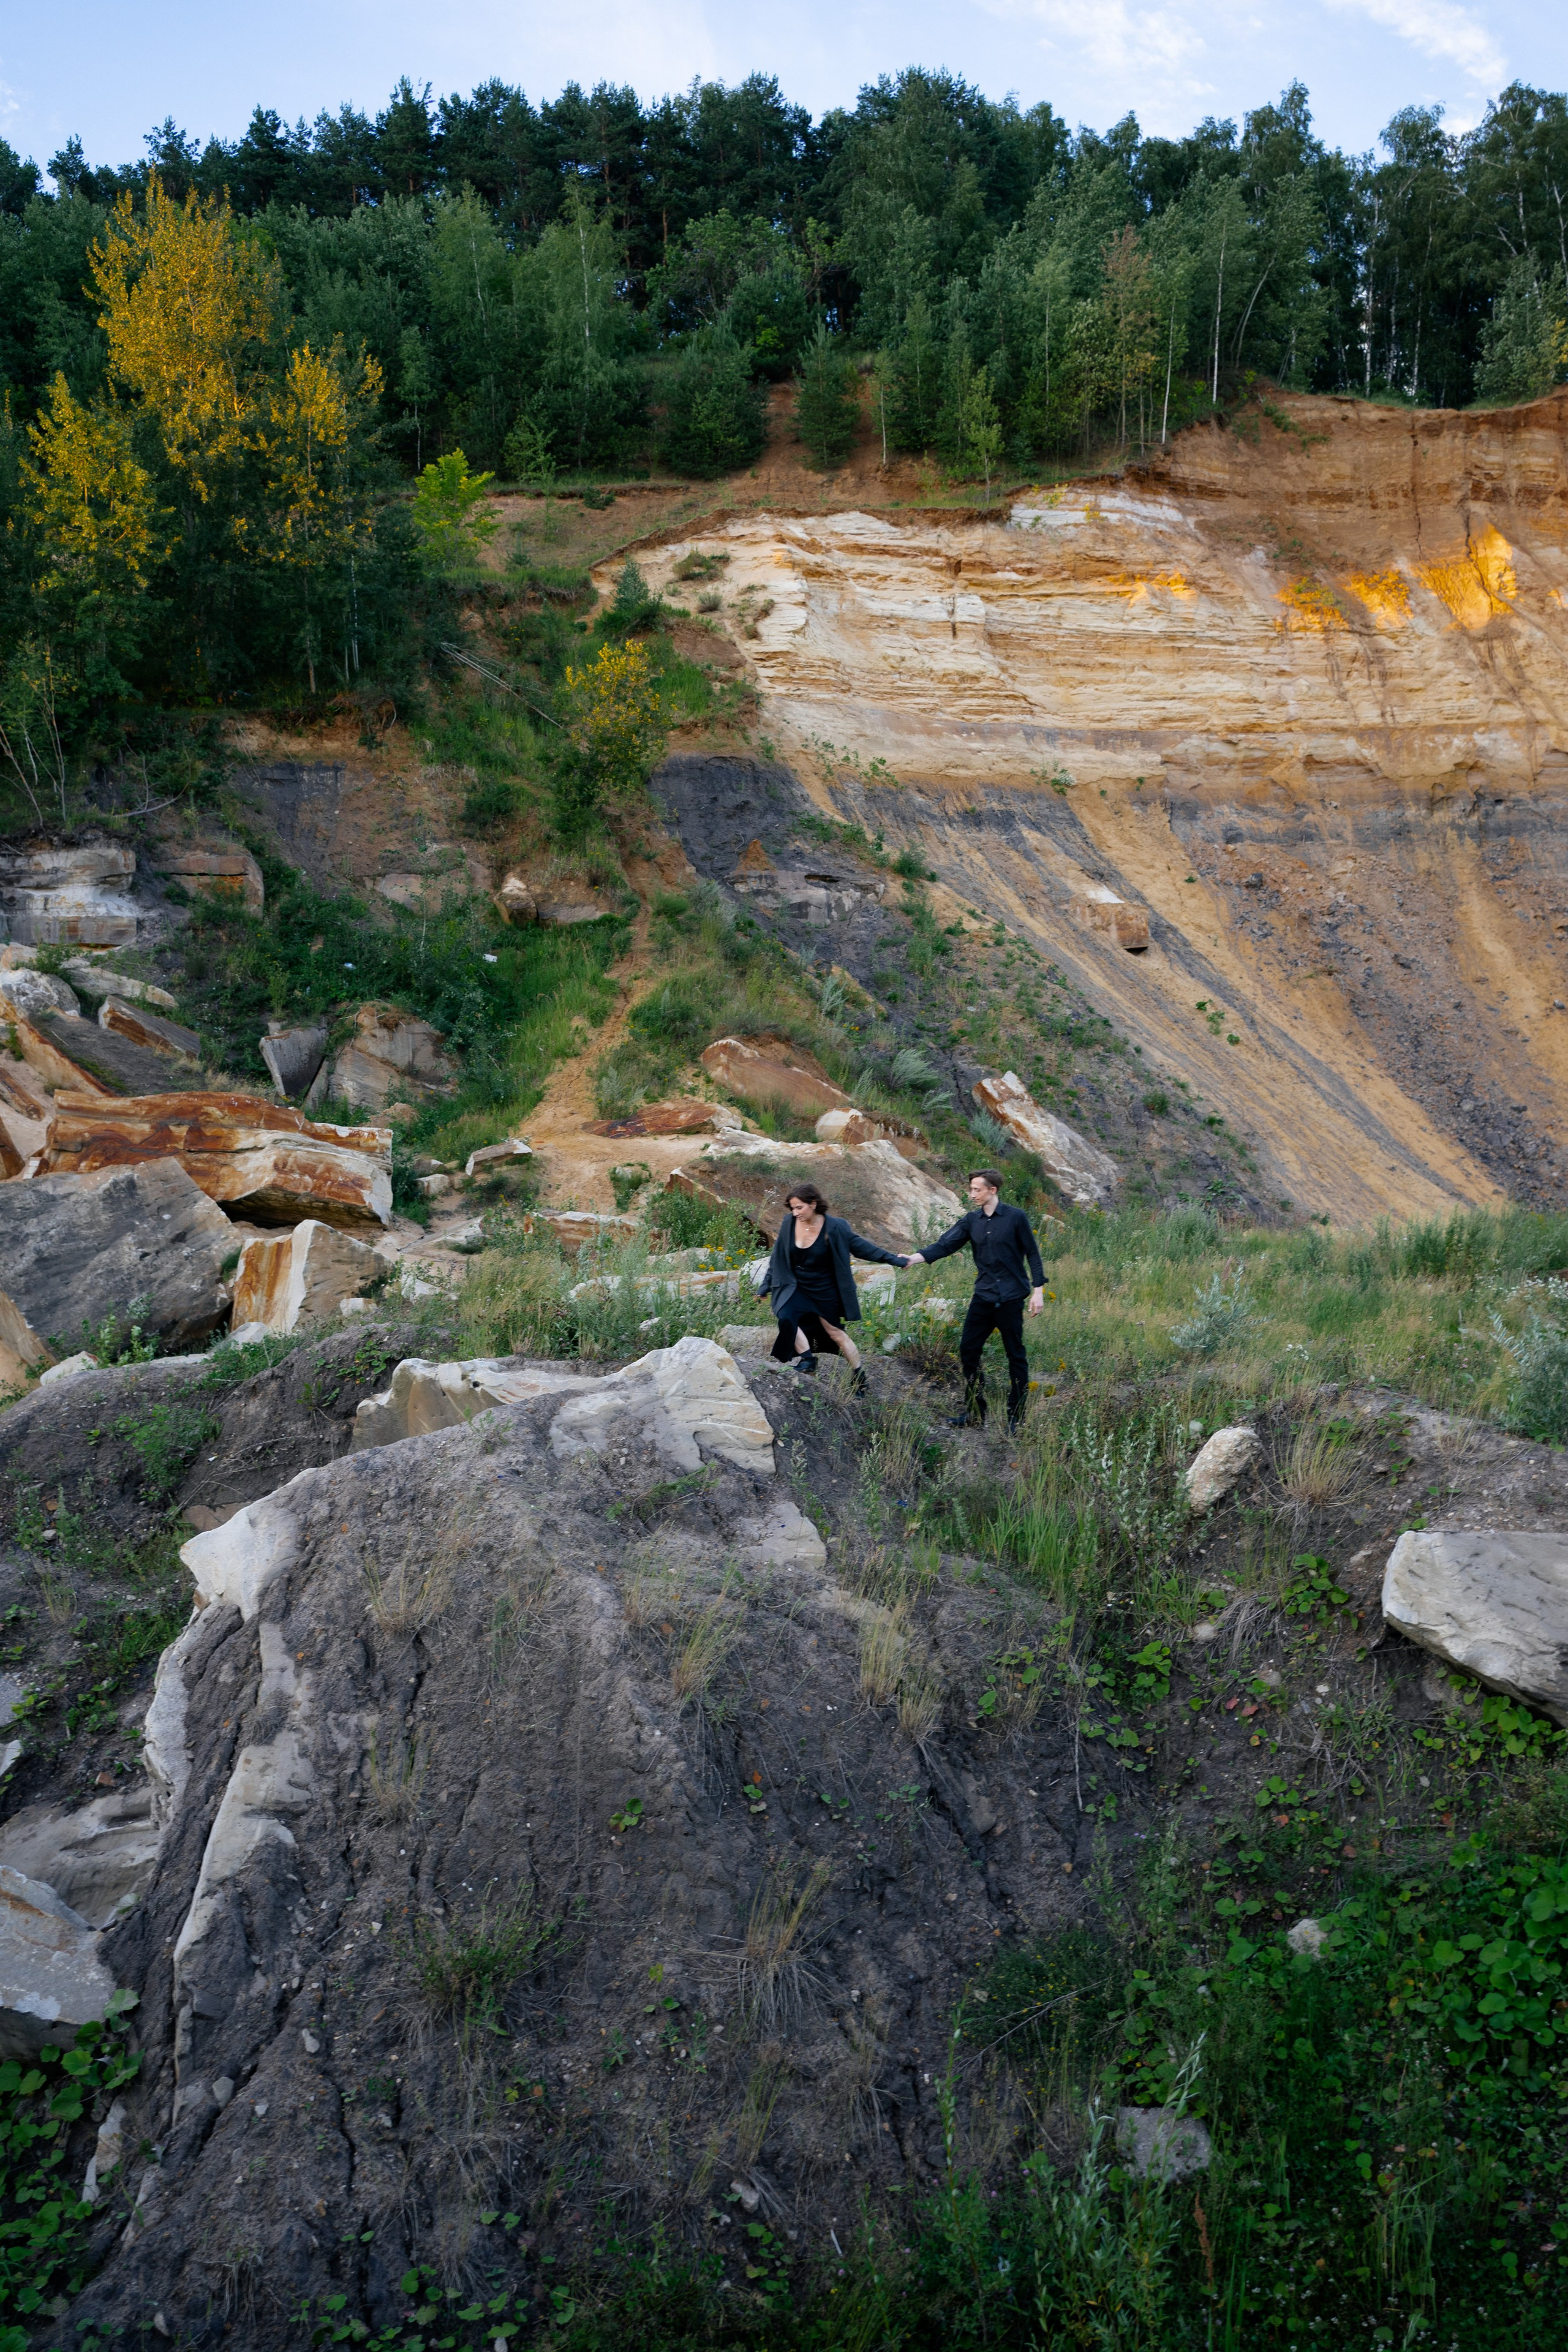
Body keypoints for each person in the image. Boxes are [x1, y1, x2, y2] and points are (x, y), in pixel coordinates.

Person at [907, 1170, 1046, 1431]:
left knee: (1015, 1356)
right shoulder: (971, 1221)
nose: (972, 1195)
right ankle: (975, 1412)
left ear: (993, 1190)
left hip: (1011, 1297)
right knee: (968, 1351)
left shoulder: (1016, 1217)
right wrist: (913, 1259)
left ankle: (1016, 1417)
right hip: (983, 1297)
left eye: (977, 1190)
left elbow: (1033, 1253)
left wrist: (1038, 1291)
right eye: (971, 1189)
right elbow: (945, 1245)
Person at [757, 1183, 908, 1396]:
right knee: (786, 1316)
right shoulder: (789, 1223)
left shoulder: (835, 1228)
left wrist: (896, 1260)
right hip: (796, 1287)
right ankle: (808, 1360)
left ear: (813, 1204)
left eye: (800, 1207)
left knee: (836, 1334)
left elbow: (864, 1248)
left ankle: (859, 1378)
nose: (795, 1213)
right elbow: (777, 1257)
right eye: (792, 1208)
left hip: (824, 1290)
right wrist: (765, 1285)